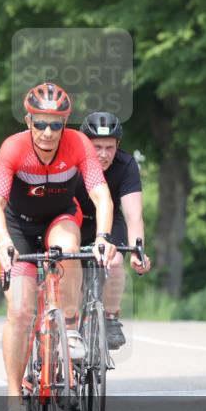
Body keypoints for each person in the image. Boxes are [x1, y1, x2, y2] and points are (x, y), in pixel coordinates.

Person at [0, 82, 115, 411]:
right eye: (40, 123)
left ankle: (69, 327)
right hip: (19, 227)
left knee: (68, 246)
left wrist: (102, 237)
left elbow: (100, 195)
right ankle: (14, 401)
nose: (47, 132)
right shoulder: (13, 148)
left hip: (60, 217)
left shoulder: (78, 145)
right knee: (21, 310)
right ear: (28, 121)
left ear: (66, 123)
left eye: (56, 124)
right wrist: (2, 243)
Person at [75, 112, 153, 349]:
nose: (103, 154)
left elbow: (133, 214)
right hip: (74, 219)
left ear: (117, 145)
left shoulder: (126, 164)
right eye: (97, 147)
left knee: (116, 261)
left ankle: (110, 318)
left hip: (109, 221)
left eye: (110, 147)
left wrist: (138, 250)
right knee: (72, 274)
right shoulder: (71, 162)